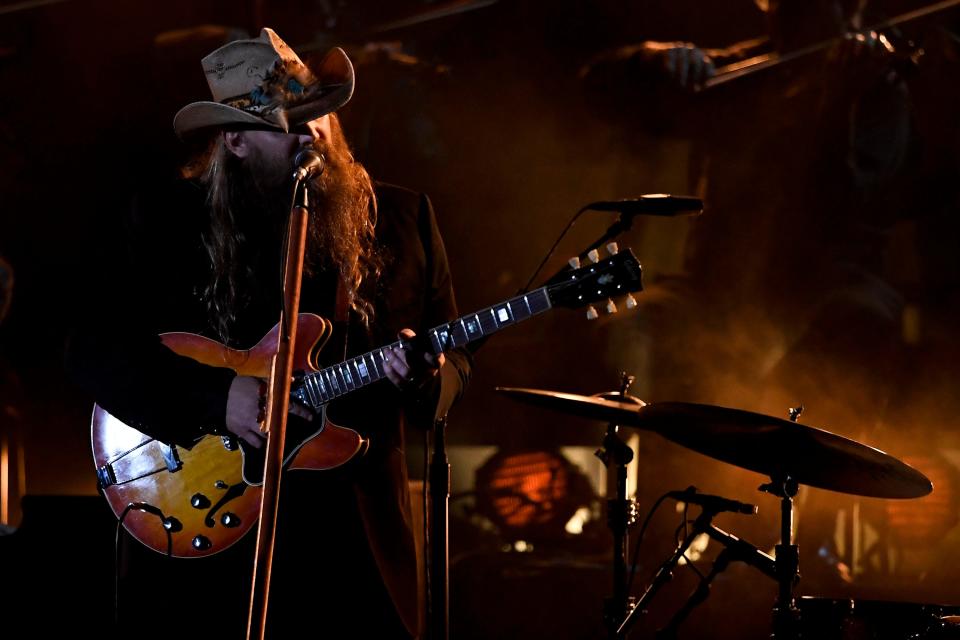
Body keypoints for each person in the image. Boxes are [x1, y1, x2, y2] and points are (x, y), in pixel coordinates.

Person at [66, 27, 471, 638]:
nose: (313, 132)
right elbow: (92, 350)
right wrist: (214, 397)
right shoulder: (166, 220)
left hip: (354, 534)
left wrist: (427, 378)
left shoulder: (404, 220)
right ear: (234, 141)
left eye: (321, 116)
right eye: (289, 121)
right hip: (211, 526)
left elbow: (455, 363)